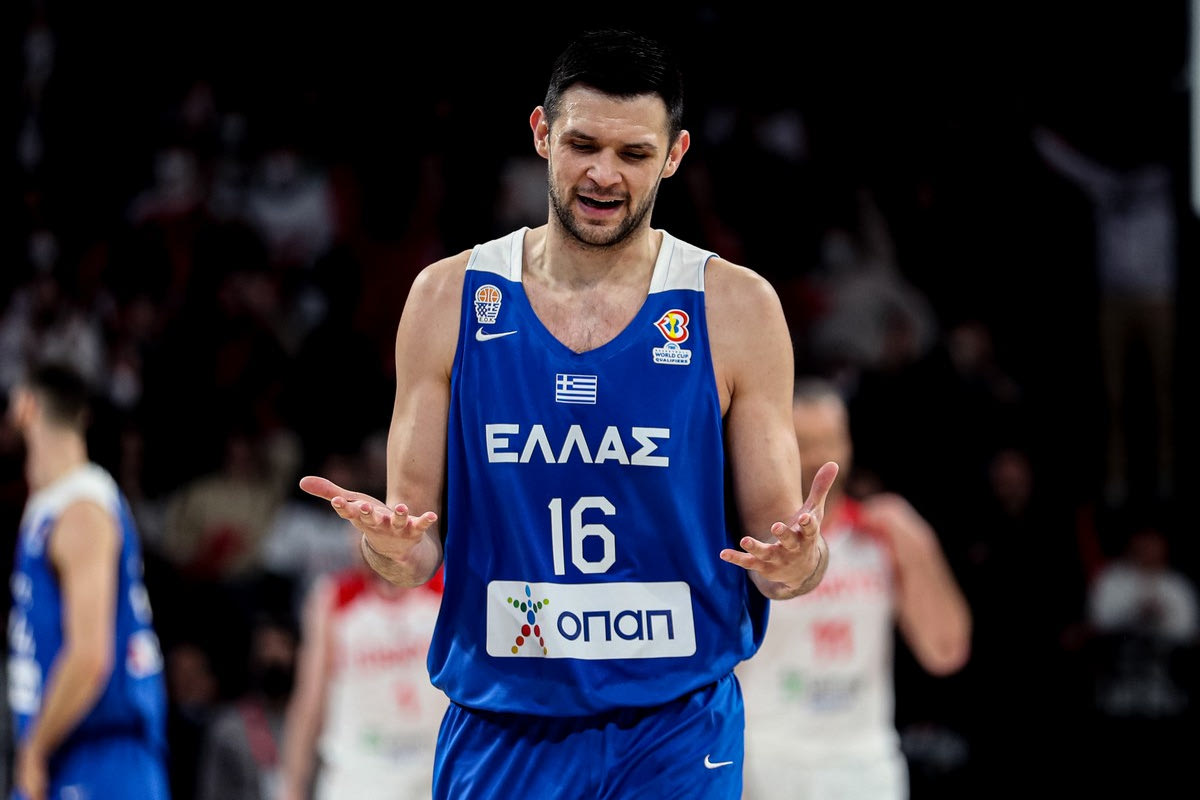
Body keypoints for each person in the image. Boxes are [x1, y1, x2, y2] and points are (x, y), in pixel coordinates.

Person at [298, 28, 838, 800]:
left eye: (634, 153)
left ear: (675, 155)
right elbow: (413, 551)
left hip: (676, 726)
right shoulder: (447, 298)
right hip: (502, 721)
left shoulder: (737, 307)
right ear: (542, 133)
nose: (603, 174)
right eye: (583, 144)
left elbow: (781, 556)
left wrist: (799, 563)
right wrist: (387, 546)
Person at [737, 377, 971, 800]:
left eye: (831, 441)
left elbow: (945, 652)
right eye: (805, 443)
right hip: (765, 753)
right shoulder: (751, 540)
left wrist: (920, 546)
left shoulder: (882, 534)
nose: (819, 458)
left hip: (864, 757)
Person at [6, 360, 170, 800]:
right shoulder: (51, 504)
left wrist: (34, 749)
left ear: (26, 407)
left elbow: (90, 656)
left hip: (101, 758)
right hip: (70, 753)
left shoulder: (81, 508)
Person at [277, 534, 446, 800]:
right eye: (354, 527)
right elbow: (310, 699)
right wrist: (292, 786)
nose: (359, 536)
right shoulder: (334, 596)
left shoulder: (444, 588)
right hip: (358, 777)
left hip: (433, 773)